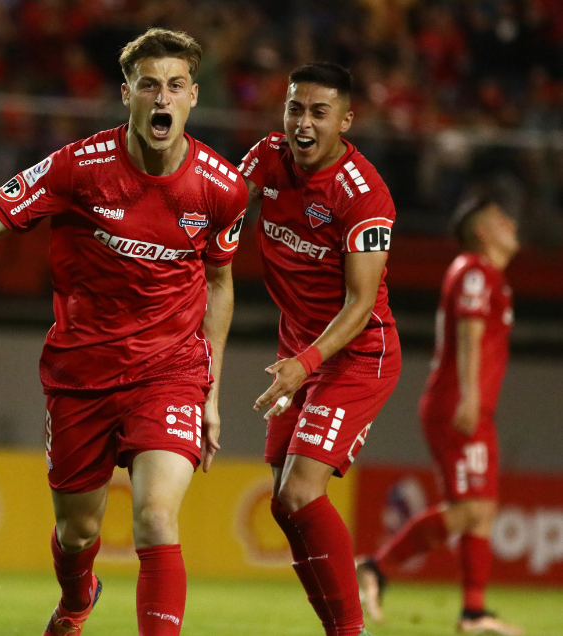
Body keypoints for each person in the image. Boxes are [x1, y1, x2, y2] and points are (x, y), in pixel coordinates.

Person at [0, 27, 246, 636]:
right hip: (81, 372)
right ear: (127, 94)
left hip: (170, 371)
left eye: (175, 86)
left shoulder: (222, 188)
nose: (162, 97)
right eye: (148, 85)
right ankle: (78, 598)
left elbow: (218, 284)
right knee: (77, 532)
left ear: (193, 96)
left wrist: (211, 391)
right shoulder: (78, 167)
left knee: (155, 519)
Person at [240, 62, 400, 636]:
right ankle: (340, 629)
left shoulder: (364, 195)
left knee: (301, 491)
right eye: (294, 109)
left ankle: (351, 632)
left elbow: (360, 305)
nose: (302, 123)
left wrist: (304, 365)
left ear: (345, 121)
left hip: (356, 354)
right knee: (283, 504)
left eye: (318, 112)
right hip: (298, 347)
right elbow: (219, 202)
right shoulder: (268, 156)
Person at [355, 197, 523, 636]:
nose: (511, 223)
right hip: (458, 403)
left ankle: (474, 612)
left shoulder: (487, 275)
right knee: (470, 508)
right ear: (482, 233)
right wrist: (469, 395)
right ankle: (378, 566)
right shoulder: (474, 270)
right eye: (500, 218)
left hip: (471, 404)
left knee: (482, 510)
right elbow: (469, 331)